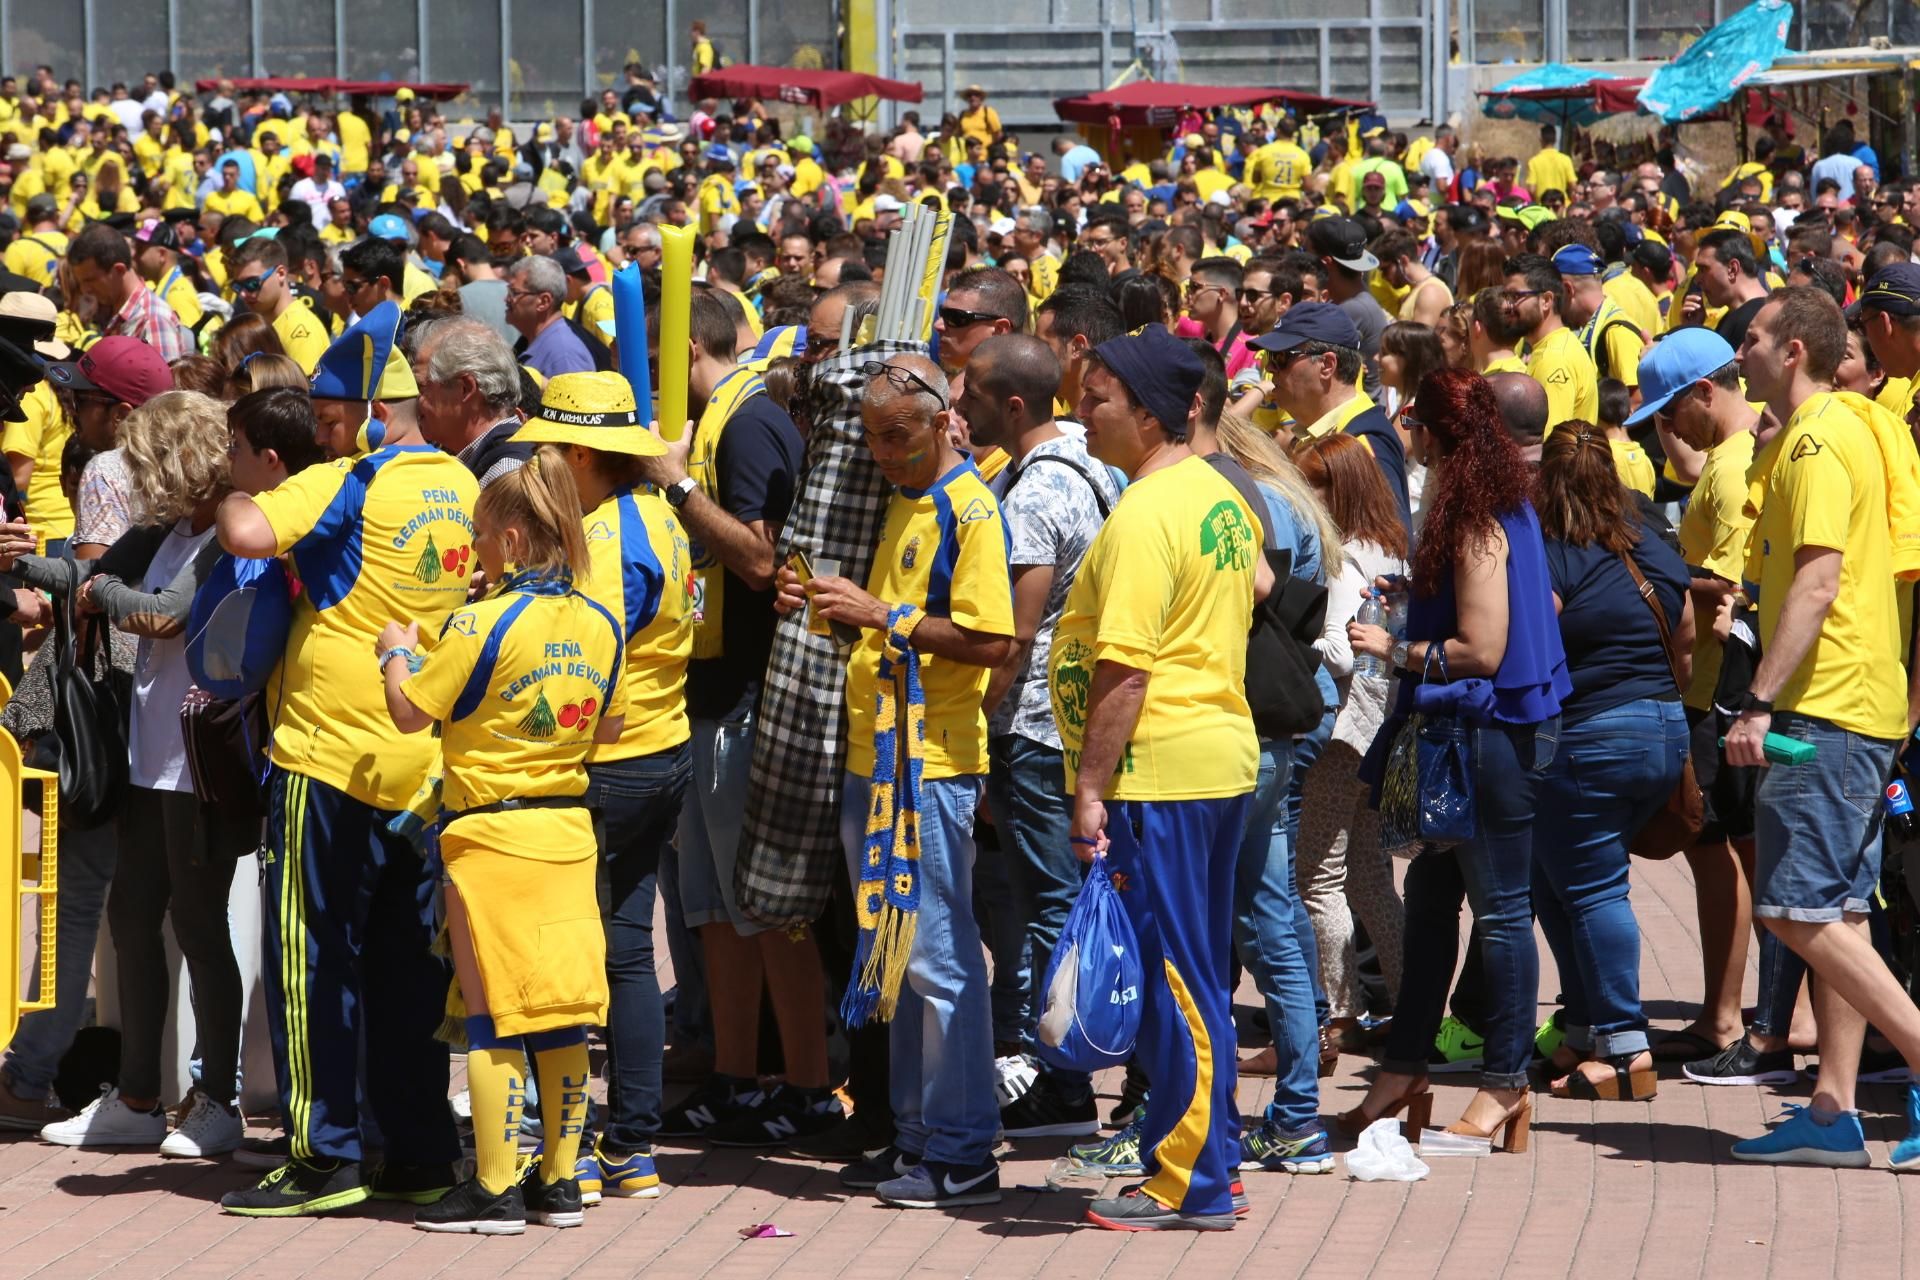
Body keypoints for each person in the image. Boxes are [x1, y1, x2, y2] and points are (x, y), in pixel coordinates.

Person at [215, 303, 474, 1216]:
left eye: (329, 421)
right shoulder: (460, 480)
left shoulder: (352, 480)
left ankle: (321, 1155)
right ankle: (413, 1149)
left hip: (326, 756)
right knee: (409, 966)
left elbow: (247, 533)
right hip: (419, 757)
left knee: (311, 958)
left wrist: (232, 484)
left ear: (370, 410)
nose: (324, 438)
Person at [775, 353, 1014, 1209]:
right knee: (899, 957)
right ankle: (918, 1138)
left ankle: (962, 1149)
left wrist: (885, 615)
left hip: (931, 764)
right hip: (874, 758)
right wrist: (833, 611)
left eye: (897, 435)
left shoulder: (967, 507)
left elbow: (992, 641)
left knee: (940, 962)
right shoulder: (906, 501)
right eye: (873, 437)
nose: (883, 452)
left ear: (946, 419)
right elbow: (896, 636)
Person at [377, 452, 624, 1234]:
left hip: (491, 838)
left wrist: (394, 653)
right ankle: (558, 1180)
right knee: (559, 1015)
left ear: (513, 540)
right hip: (567, 829)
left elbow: (411, 713)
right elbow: (609, 726)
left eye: (482, 537)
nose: (475, 550)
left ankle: (491, 1187)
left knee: (492, 1020)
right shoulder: (600, 620)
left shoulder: (479, 622)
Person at [1049, 324, 1259, 1231]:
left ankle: (1192, 1183)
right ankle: (1210, 1157)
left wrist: (1090, 784)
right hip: (1209, 756)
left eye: (1097, 399)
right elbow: (1245, 594)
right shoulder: (1217, 493)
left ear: (1149, 413)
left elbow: (1125, 668)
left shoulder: (1145, 512)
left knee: (1178, 984)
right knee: (1196, 974)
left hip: (1161, 771)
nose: (1080, 412)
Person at [1346, 368, 1570, 1152]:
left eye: (1412, 419)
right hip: (1486, 729)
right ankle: (1406, 1066)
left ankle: (1506, 1083)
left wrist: (1395, 646)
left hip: (1490, 732)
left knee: (1502, 911)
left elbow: (1483, 649)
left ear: (1438, 433)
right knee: (1435, 903)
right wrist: (1424, 594)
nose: (1404, 431)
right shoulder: (1491, 506)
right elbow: (1534, 608)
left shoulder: (1474, 514)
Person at [1722, 287, 1920, 1169]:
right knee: (1838, 907)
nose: (1741, 353)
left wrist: (1758, 701)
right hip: (1863, 700)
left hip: (1824, 704)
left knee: (1797, 911)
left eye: (1752, 339)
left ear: (1792, 349)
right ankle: (1833, 1109)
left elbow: (1816, 582)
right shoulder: (1852, 427)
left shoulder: (1815, 438)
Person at [639, 291, 827, 1148]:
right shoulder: (718, 418)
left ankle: (808, 1084)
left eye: (649, 364)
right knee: (715, 909)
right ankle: (736, 1077)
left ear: (682, 349)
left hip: (749, 695)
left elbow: (759, 558)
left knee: (769, 907)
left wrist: (673, 484)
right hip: (706, 695)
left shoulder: (746, 422)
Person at [510, 373, 692, 1204]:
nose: (537, 460)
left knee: (571, 953)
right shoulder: (657, 513)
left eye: (547, 447)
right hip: (665, 752)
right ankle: (632, 1147)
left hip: (609, 765)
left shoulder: (607, 543)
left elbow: (589, 671)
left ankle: (572, 1144)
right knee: (624, 948)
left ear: (582, 453)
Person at [952, 333, 1120, 1139]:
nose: (960, 406)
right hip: (1070, 714)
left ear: (1013, 404)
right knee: (1052, 897)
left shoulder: (1034, 493)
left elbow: (1013, 636)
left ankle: (1066, 1085)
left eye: (972, 395)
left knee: (1052, 902)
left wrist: (982, 723)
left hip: (1036, 724)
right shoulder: (1092, 466)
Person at [1530, 420, 1692, 1101]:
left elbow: (1534, 641)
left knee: (1595, 888)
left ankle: (1626, 1051)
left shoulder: (1551, 552)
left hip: (1593, 734)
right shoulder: (1649, 546)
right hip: (1663, 726)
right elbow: (1684, 634)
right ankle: (1582, 1028)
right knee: (1552, 878)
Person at [1293, 430, 1410, 1053]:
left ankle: (1338, 1014)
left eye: (1310, 486)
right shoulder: (1391, 549)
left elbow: (1341, 648)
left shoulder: (1343, 556)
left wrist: (1296, 634)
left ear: (1335, 489)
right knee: (1367, 877)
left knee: (1318, 876)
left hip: (1341, 730)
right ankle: (1409, 1004)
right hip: (1379, 723)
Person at [1253, 301, 1411, 530]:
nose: (1269, 368)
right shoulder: (1316, 432)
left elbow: (1393, 545)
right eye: (1269, 356)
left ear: (1327, 365)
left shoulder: (1363, 445)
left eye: (1281, 357)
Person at [412, 317, 532, 483]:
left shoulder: (506, 475)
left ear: (465, 388)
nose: (413, 398)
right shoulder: (491, 463)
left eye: (420, 386)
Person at [67, 221, 193, 361]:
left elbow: (164, 382)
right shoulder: (121, 314)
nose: (85, 290)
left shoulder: (152, 320)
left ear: (118, 270)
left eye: (90, 280)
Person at [1505, 251, 1598, 431]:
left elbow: (1550, 444)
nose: (1508, 306)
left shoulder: (1554, 360)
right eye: (1506, 296)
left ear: (1546, 301)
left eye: (1515, 297)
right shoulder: (1554, 348)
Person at [229, 236, 331, 374]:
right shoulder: (267, 324)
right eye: (237, 286)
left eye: (252, 284)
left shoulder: (300, 330)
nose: (242, 294)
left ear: (281, 273)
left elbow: (304, 393)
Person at [507, 254, 595, 378]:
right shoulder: (530, 341)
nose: (506, 299)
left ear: (544, 302)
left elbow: (573, 397)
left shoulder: (564, 356)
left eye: (514, 293)